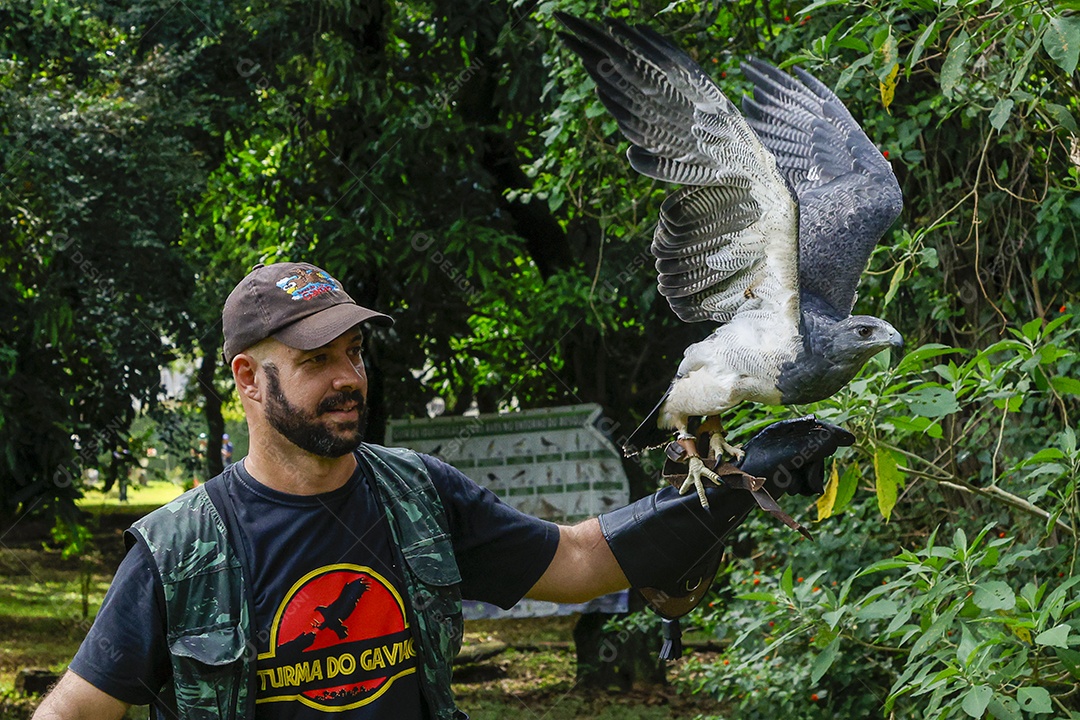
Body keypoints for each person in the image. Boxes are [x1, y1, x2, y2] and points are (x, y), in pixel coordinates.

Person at [34, 262, 851, 720]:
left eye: (354, 353)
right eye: (318, 362)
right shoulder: (181, 550)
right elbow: (75, 711)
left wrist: (731, 491)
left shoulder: (415, 492)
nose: (349, 378)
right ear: (250, 378)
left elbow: (574, 562)